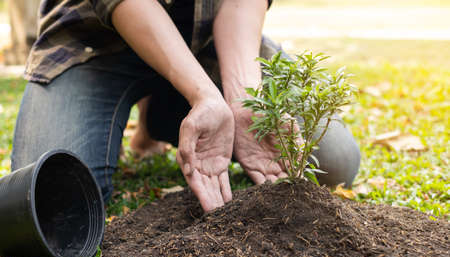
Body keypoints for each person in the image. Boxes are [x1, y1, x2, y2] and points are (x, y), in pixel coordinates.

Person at [11, 0, 360, 212]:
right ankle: (170, 96)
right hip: (95, 42)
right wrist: (205, 95)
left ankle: (160, 115)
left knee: (335, 161)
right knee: (54, 198)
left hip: (208, 40)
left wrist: (244, 98)